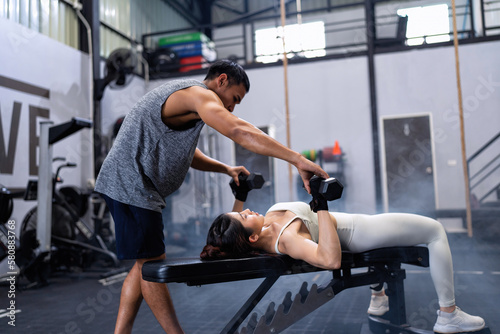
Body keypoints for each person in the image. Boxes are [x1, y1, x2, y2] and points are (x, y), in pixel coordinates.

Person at [94, 59, 328, 334]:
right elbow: (239, 131)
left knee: (143, 265)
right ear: (222, 80)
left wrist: (225, 168)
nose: (231, 107)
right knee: (151, 266)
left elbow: (186, 153)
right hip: (131, 186)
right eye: (234, 99)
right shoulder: (197, 94)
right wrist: (296, 159)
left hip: (132, 186)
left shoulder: (189, 104)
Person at [201, 177, 486, 334]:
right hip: (361, 233)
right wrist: (321, 205)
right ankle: (448, 315)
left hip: (355, 224)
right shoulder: (287, 239)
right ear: (251, 238)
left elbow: (231, 232)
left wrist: (239, 193)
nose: (247, 209)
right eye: (243, 213)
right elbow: (330, 260)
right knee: (435, 231)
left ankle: (378, 298)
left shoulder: (257, 228)